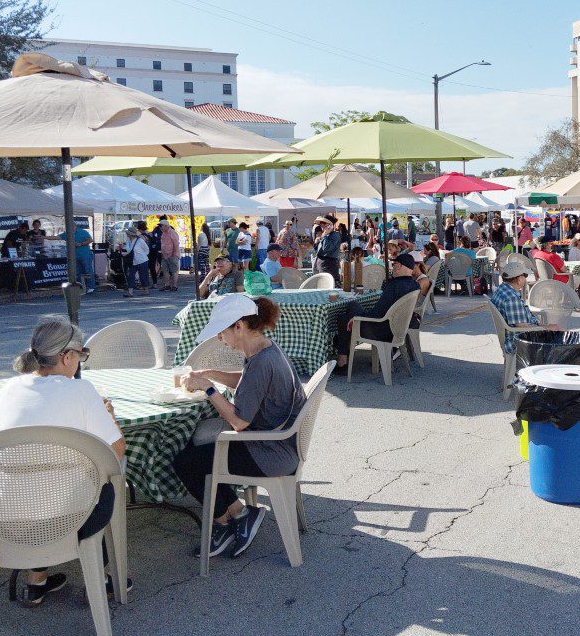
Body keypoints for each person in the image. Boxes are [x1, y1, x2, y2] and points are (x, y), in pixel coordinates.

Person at [0, 315, 125, 605]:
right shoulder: (81, 391)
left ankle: (37, 580)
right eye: (81, 354)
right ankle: (103, 577)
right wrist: (109, 416)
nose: (80, 361)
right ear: (67, 357)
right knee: (101, 486)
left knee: (34, 482)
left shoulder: (4, 392)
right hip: (68, 520)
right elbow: (115, 451)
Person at [174, 295, 307, 559]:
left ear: (240, 326)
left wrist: (208, 388)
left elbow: (238, 421)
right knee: (196, 452)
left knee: (186, 461)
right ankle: (238, 512)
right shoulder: (264, 349)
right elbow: (247, 381)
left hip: (269, 454)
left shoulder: (261, 362)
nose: (220, 338)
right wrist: (210, 373)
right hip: (279, 445)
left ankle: (227, 521)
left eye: (222, 331)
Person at [333, 253, 422, 373]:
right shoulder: (414, 285)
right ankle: (340, 346)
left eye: (394, 264)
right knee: (352, 305)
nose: (392, 267)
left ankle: (342, 360)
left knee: (344, 318)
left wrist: (357, 318)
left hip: (382, 330)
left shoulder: (394, 285)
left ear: (399, 266)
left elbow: (378, 313)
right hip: (399, 328)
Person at [490, 262, 560, 354]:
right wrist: (546, 327)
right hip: (518, 341)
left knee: (557, 331)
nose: (526, 279)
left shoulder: (502, 288)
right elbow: (523, 327)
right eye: (525, 276)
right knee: (560, 340)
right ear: (519, 279)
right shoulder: (512, 298)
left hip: (515, 335)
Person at [531, 236, 580, 301]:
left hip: (544, 282)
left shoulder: (536, 255)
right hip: (560, 283)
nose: (551, 245)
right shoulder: (553, 256)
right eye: (550, 243)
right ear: (548, 244)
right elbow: (564, 270)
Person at [59, 219, 96, 293]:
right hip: (75, 256)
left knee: (88, 270)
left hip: (85, 255)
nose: (69, 228)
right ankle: (81, 287)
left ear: (75, 226)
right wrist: (43, 237)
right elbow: (57, 237)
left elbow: (90, 240)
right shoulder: (67, 233)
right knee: (78, 272)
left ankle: (91, 286)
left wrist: (81, 243)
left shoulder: (82, 232)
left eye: (71, 226)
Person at [121, 225, 150, 297]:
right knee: (131, 275)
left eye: (127, 233)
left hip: (142, 261)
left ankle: (145, 289)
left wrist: (141, 255)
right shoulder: (128, 241)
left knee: (143, 276)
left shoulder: (140, 241)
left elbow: (147, 250)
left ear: (130, 234)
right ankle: (130, 291)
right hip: (133, 261)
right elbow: (128, 250)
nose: (126, 234)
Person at [312, 216, 342, 284]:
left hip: (329, 264)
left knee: (328, 285)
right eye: (321, 223)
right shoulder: (325, 235)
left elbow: (326, 248)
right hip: (321, 263)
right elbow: (318, 251)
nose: (322, 225)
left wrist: (324, 236)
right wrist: (316, 243)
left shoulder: (335, 235)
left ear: (330, 225)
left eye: (324, 223)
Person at [157, 218, 181, 290]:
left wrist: (174, 253)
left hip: (172, 255)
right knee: (165, 270)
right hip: (165, 255)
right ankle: (167, 285)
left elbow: (176, 244)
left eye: (161, 226)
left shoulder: (172, 232)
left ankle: (174, 286)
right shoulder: (164, 233)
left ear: (166, 226)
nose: (160, 227)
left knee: (174, 271)